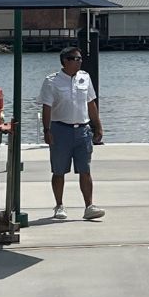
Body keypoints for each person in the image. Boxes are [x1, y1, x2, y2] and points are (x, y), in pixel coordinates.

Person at [38, 46, 105, 221]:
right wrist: (47, 130)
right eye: (76, 59)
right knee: (59, 170)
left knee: (85, 169)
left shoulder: (85, 77)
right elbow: (47, 107)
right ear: (65, 61)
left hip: (82, 129)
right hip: (60, 129)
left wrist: (98, 126)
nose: (79, 61)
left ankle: (89, 206)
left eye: (80, 58)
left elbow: (91, 103)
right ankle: (59, 205)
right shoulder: (52, 81)